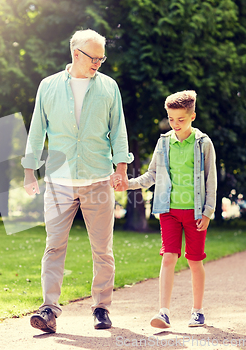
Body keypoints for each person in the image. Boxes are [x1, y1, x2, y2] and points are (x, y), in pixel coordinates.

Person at [22, 29, 133, 333]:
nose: (98, 62)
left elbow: (118, 129)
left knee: (102, 249)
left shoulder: (109, 87)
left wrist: (121, 168)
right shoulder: (48, 87)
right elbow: (36, 130)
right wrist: (29, 170)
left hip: (98, 180)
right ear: (75, 54)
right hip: (59, 181)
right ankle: (48, 309)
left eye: (102, 57)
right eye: (93, 57)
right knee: (54, 246)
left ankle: (101, 307)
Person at [128, 90, 216, 328]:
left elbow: (211, 179)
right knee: (168, 257)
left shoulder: (203, 144)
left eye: (181, 119)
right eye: (171, 119)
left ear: (192, 117)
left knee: (195, 260)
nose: (175, 124)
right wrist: (129, 183)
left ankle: (197, 311)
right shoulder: (164, 142)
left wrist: (208, 211)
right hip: (168, 210)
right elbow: (152, 174)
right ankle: (163, 312)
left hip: (196, 213)